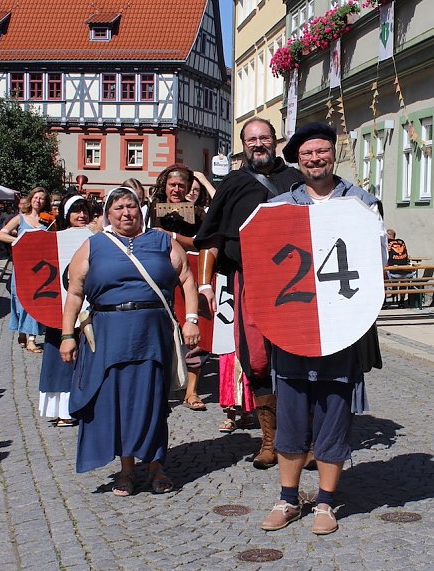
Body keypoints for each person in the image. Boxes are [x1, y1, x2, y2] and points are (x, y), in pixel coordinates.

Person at [259, 122, 383, 535]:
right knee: (291, 414)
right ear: (297, 159)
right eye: (307, 153)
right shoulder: (280, 207)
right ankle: (288, 498)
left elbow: (375, 264)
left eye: (322, 151)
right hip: (294, 325)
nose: (315, 158)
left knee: (334, 411)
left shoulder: (361, 204)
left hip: (342, 326)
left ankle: (327, 503)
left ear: (333, 154)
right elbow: (266, 266)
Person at [60, 186, 200, 496]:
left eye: (131, 206)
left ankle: (155, 466)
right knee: (117, 402)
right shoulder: (94, 245)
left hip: (151, 334)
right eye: (119, 208)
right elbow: (74, 291)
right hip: (109, 336)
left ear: (141, 209)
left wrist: (191, 319)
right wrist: (67, 335)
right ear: (108, 214)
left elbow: (187, 278)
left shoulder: (162, 241)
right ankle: (126, 470)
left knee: (151, 402)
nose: (126, 213)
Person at [194, 118, 303, 468]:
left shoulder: (296, 181)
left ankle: (303, 437)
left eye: (264, 138)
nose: (259, 144)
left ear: (275, 141)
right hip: (250, 279)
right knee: (256, 359)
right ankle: (269, 439)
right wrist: (206, 284)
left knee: (299, 357)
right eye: (251, 139)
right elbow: (210, 239)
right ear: (243, 144)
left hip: (295, 284)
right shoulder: (233, 185)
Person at [149, 164, 210, 411]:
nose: (176, 189)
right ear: (165, 185)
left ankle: (192, 391)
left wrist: (171, 237)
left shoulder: (197, 212)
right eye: (172, 184)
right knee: (160, 333)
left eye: (181, 185)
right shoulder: (151, 209)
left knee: (194, 332)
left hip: (189, 275)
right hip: (159, 275)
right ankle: (160, 389)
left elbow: (201, 242)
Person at [39, 195, 93, 427]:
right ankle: (63, 409)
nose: (81, 216)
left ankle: (86, 404)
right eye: (75, 211)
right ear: (66, 215)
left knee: (89, 357)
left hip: (89, 307)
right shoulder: (53, 240)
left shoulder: (96, 239)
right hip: (59, 309)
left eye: (84, 211)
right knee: (60, 360)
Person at [0, 188, 51, 353]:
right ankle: (23, 332)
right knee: (21, 301)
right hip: (23, 267)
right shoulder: (20, 218)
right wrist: (21, 241)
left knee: (36, 302)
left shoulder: (46, 221)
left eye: (42, 198)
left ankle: (31, 339)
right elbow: (1, 235)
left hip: (40, 269)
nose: (39, 201)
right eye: (36, 197)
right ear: (31, 199)